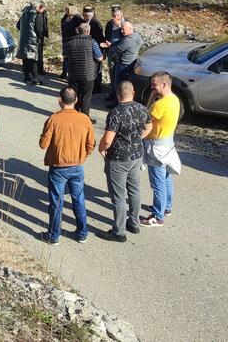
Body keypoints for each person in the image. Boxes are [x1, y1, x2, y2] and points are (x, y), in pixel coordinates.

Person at [39, 86, 95, 244]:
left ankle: (54, 235)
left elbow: (43, 144)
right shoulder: (85, 119)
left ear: (59, 100)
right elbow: (91, 144)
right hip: (77, 165)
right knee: (79, 199)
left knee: (56, 201)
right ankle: (82, 232)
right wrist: (82, 156)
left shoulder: (53, 119)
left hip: (58, 167)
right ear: (76, 100)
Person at [97, 81, 151, 241]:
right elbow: (149, 126)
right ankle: (133, 223)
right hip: (136, 155)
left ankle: (118, 231)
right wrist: (137, 139)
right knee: (134, 189)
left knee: (118, 195)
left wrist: (101, 148)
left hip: (119, 158)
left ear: (118, 94)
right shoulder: (142, 108)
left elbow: (108, 139)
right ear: (133, 92)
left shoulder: (116, 113)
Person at [141, 71, 182, 227]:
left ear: (164, 84)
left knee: (157, 182)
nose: (152, 87)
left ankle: (157, 217)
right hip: (168, 144)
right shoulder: (174, 100)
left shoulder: (160, 105)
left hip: (156, 146)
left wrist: (151, 99)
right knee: (166, 178)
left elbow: (145, 118)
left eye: (154, 84)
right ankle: (167, 207)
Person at [64, 23, 104, 117]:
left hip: (73, 73)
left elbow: (65, 56)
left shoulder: (69, 42)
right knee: (86, 97)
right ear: (88, 31)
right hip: (88, 74)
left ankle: (73, 115)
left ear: (78, 30)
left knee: (74, 96)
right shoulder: (92, 42)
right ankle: (85, 117)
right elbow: (99, 58)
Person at [105, 21, 144, 107]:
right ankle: (116, 98)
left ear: (130, 29)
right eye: (121, 29)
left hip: (123, 64)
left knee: (118, 84)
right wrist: (112, 44)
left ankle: (117, 103)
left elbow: (118, 49)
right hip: (129, 62)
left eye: (123, 29)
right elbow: (120, 41)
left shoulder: (128, 40)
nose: (121, 31)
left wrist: (109, 48)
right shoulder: (135, 35)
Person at [16, 2, 44, 85]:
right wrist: (40, 38)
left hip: (24, 40)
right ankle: (35, 79)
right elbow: (39, 30)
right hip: (33, 40)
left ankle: (26, 77)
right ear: (36, 7)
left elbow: (18, 26)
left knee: (25, 59)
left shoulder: (24, 14)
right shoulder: (36, 15)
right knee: (33, 59)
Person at [82, 6, 106, 93]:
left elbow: (99, 38)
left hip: (96, 48)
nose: (85, 17)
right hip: (90, 48)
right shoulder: (86, 22)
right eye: (84, 15)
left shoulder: (95, 24)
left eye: (86, 16)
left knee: (97, 68)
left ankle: (97, 87)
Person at [102, 5, 125, 93]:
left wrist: (119, 26)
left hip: (121, 52)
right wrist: (105, 51)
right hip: (111, 51)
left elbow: (128, 37)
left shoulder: (126, 23)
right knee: (111, 73)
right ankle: (112, 93)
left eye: (118, 15)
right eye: (114, 15)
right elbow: (107, 37)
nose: (116, 17)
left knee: (118, 76)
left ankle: (119, 95)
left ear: (121, 14)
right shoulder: (109, 24)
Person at [59, 4, 84, 79]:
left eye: (67, 9)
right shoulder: (65, 17)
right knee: (65, 56)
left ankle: (71, 75)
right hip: (65, 39)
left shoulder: (77, 18)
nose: (65, 10)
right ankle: (64, 72)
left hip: (73, 41)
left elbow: (81, 28)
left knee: (72, 59)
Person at [37, 2, 50, 76]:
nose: (45, 9)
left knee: (40, 53)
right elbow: (39, 27)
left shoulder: (43, 13)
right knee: (38, 53)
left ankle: (40, 69)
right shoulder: (38, 15)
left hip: (41, 36)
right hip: (38, 37)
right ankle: (39, 70)